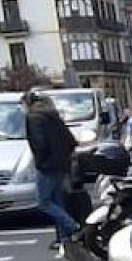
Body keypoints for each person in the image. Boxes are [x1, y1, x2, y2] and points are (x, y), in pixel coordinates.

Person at [24, 91, 79, 254]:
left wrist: (40, 162)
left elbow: (39, 144)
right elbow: (71, 140)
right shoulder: (53, 116)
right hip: (62, 164)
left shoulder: (33, 118)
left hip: (47, 165)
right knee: (57, 199)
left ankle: (70, 225)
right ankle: (65, 237)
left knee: (44, 201)